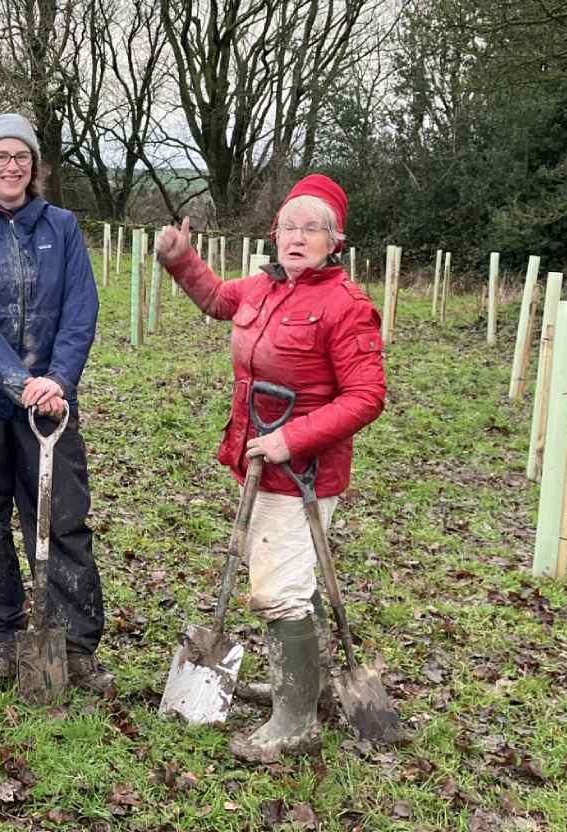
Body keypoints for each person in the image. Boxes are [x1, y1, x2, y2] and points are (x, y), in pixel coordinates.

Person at [153, 173, 386, 762]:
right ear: (274, 233)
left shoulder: (346, 306)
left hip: (303, 471)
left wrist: (291, 438)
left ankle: (295, 720)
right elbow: (214, 299)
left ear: (336, 240)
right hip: (254, 455)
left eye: (313, 227)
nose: (297, 236)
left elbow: (367, 396)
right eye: (289, 225)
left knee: (279, 588)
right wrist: (183, 262)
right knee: (282, 579)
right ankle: (297, 684)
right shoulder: (262, 288)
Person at [0, 113, 110, 692]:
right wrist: (19, 381)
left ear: (35, 167)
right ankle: (3, 635)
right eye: (0, 156)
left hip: (50, 401)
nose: (11, 166)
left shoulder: (61, 226)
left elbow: (81, 310)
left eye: (21, 157)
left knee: (61, 517)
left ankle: (76, 644)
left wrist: (56, 380)